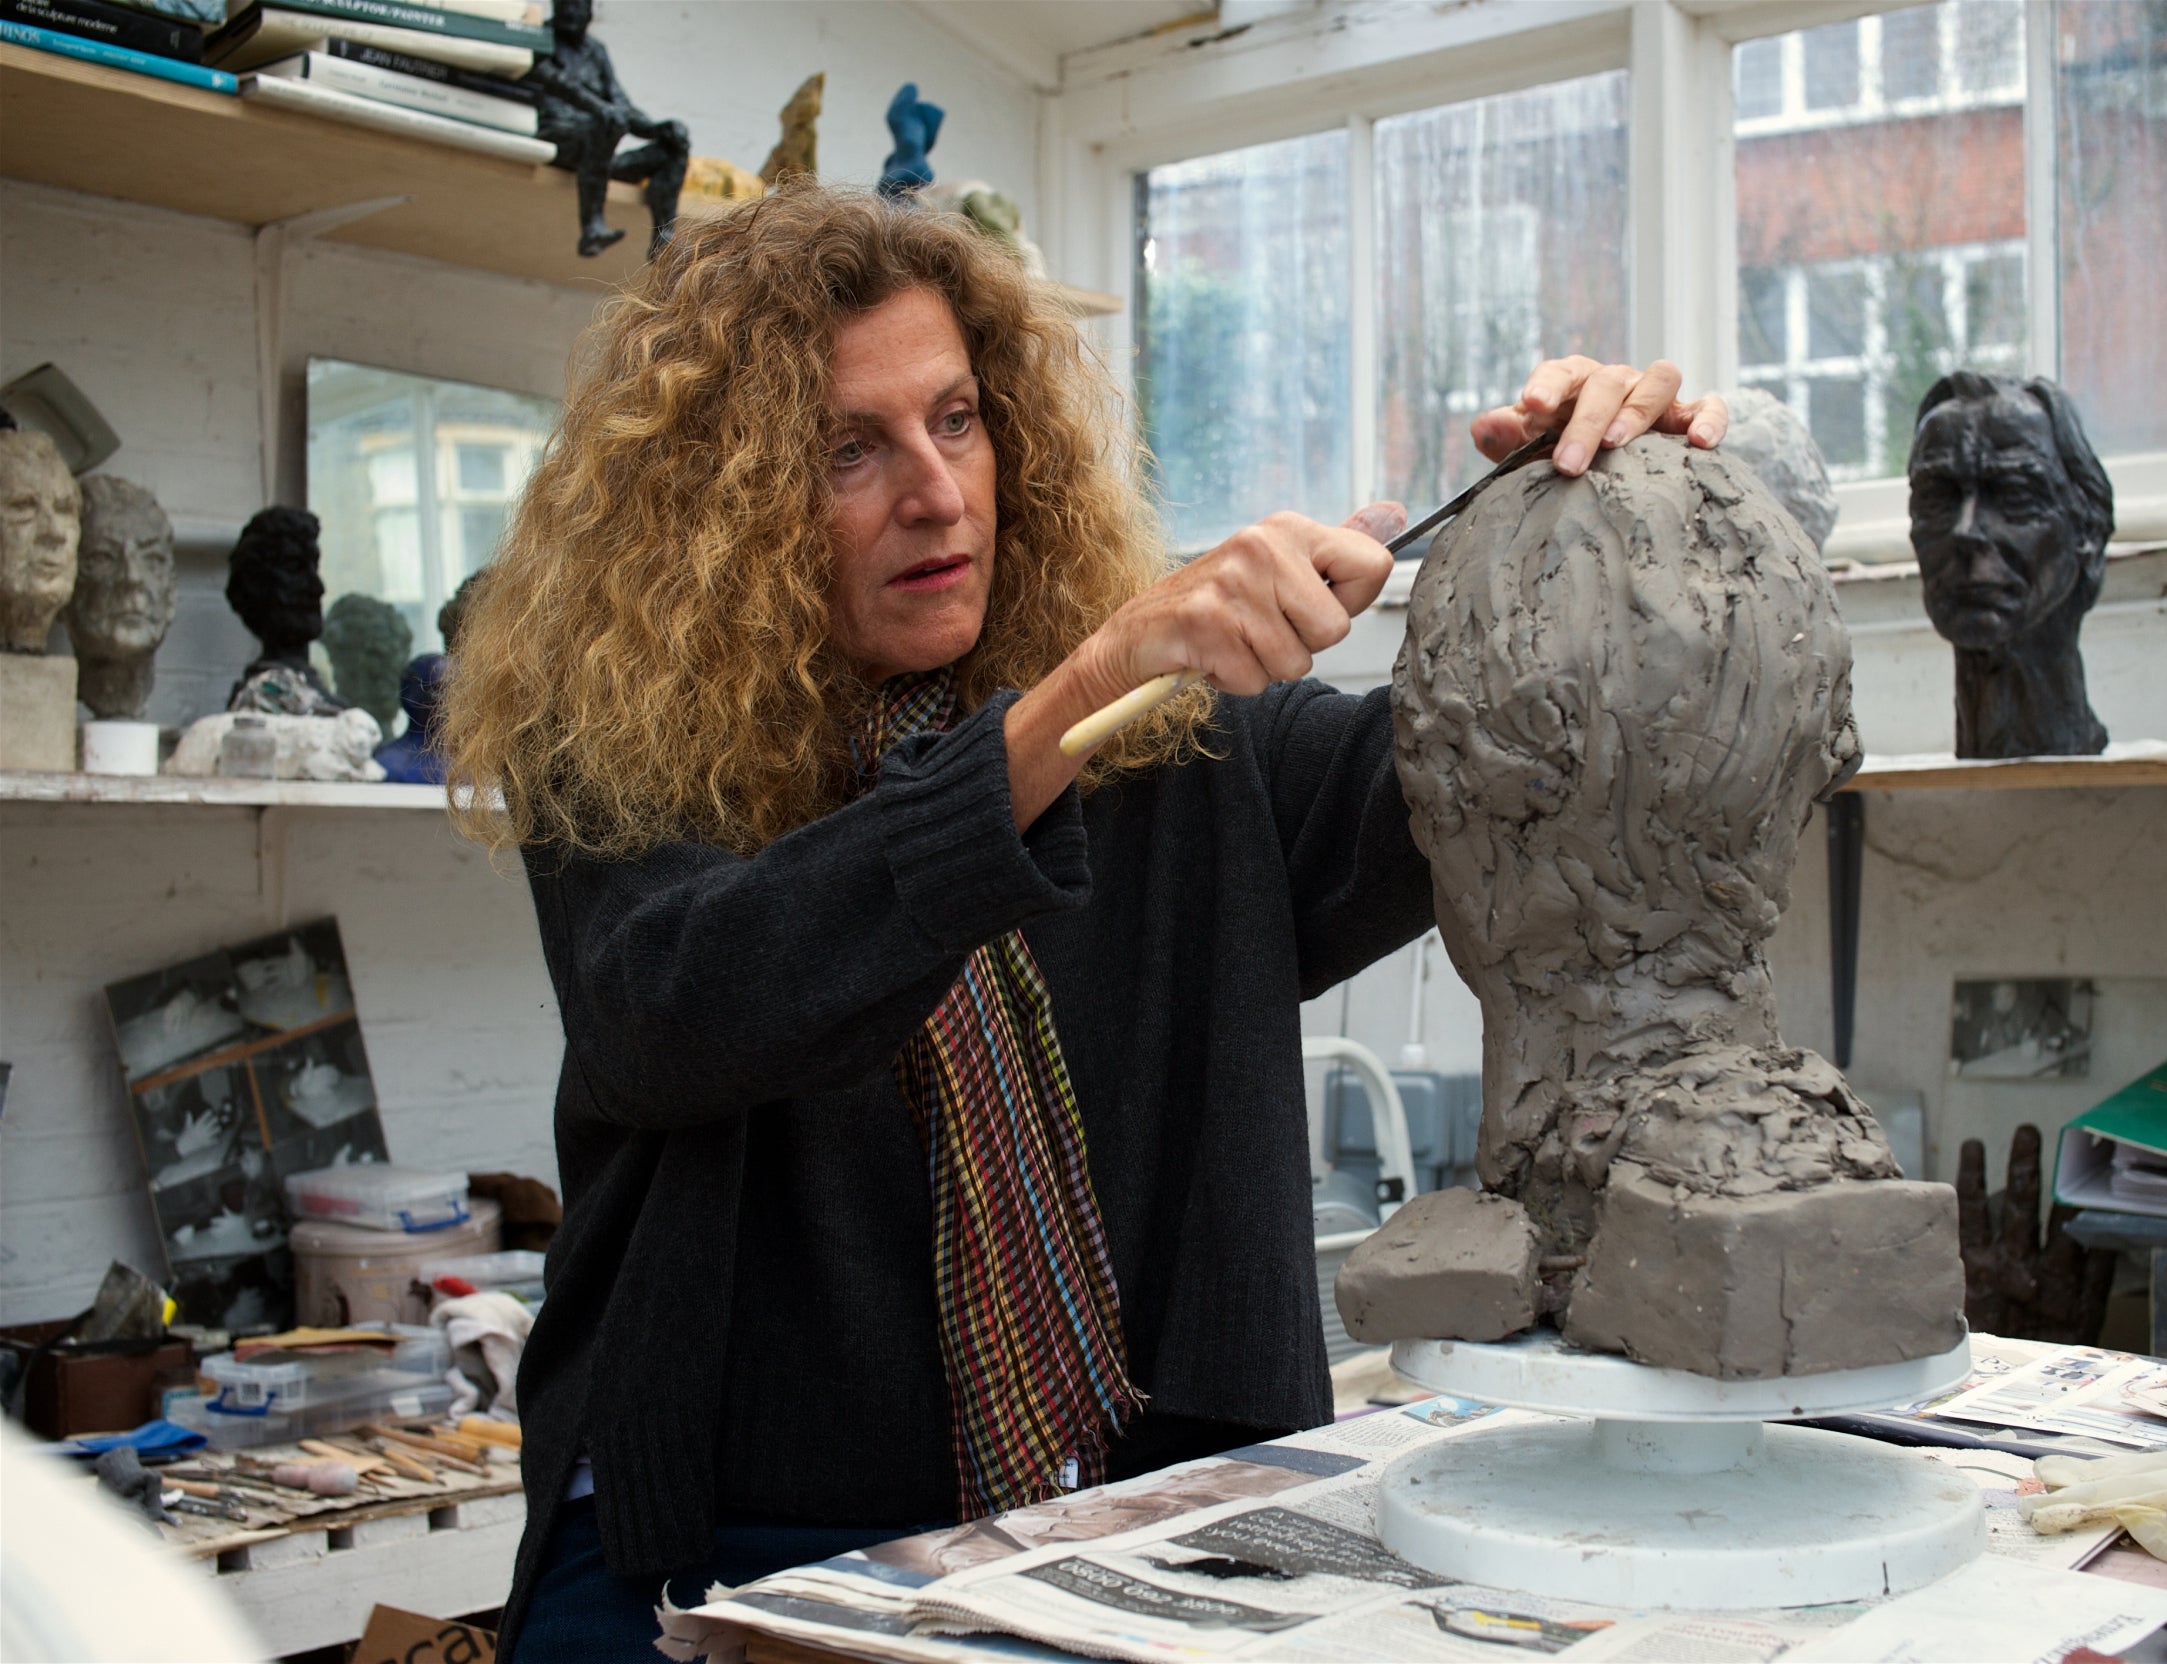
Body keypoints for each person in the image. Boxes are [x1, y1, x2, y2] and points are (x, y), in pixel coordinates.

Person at [436, 182, 1725, 1659]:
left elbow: (1497, 788)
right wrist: (1066, 710)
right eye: (848, 450)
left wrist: (1592, 510)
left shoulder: (1181, 751)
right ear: (710, 504)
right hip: (725, 1559)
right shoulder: (616, 756)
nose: (935, 493)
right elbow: (679, 1011)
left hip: (1141, 1525)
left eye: (957, 420)